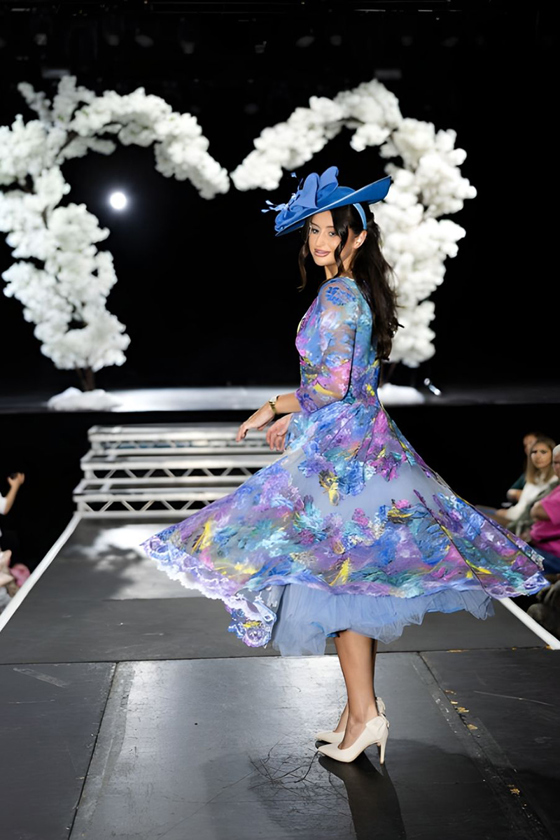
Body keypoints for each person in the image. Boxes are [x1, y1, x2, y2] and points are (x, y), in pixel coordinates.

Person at [140, 165, 549, 764]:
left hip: (347, 455)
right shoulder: (357, 291)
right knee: (352, 579)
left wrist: (274, 406)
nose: (322, 241)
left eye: (333, 231)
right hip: (356, 441)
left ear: (358, 236)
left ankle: (364, 714)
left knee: (341, 580)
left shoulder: (338, 294)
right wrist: (298, 421)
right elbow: (348, 387)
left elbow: (330, 385)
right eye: (314, 231)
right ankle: (361, 712)